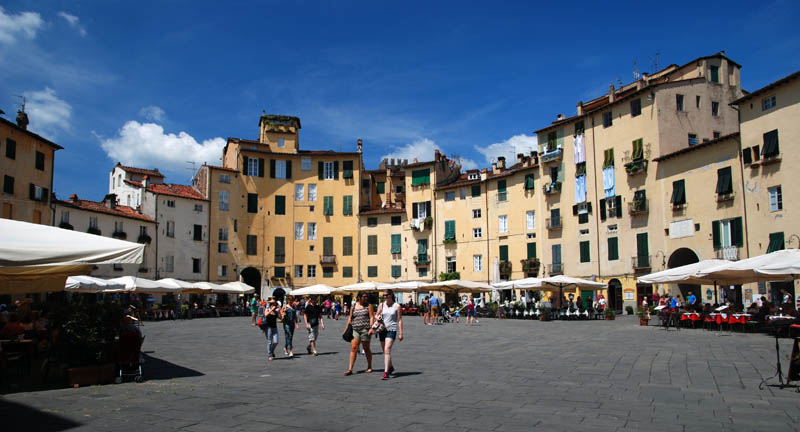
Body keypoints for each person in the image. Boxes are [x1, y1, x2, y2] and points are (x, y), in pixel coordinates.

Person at [344, 292, 374, 375]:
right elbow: (350, 318)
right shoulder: (353, 306)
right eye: (364, 296)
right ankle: (350, 369)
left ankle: (369, 366)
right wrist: (346, 328)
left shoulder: (368, 306)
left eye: (366, 296)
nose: (366, 298)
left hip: (365, 329)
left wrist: (371, 328)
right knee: (354, 348)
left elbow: (371, 317)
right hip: (355, 329)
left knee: (366, 348)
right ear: (359, 297)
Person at [377, 290, 403, 380]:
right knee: (385, 352)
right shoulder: (382, 305)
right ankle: (390, 367)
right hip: (382, 329)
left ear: (391, 295)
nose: (385, 297)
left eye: (386, 295)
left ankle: (386, 372)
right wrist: (378, 317)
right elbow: (376, 315)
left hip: (391, 329)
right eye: (383, 295)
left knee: (387, 349)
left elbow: (399, 320)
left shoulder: (397, 306)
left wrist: (401, 333)